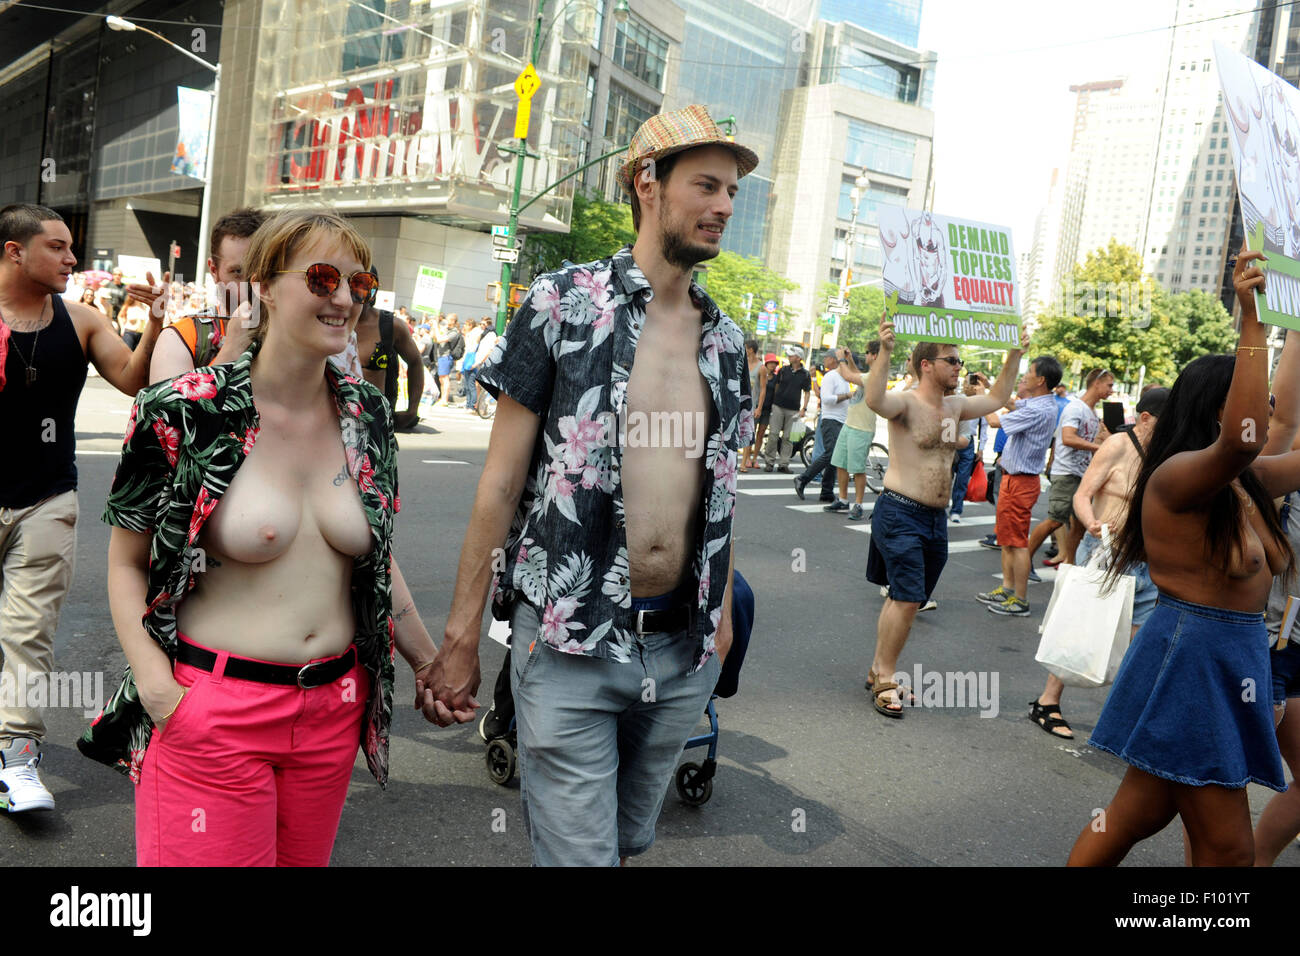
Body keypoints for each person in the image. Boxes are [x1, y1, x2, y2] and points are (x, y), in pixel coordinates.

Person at [424, 104, 755, 866]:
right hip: (569, 638)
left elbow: (721, 493)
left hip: (681, 649)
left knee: (627, 840)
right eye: (707, 186)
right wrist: (462, 634)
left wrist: (720, 619)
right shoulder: (561, 303)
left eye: (732, 192)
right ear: (648, 183)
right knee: (584, 858)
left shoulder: (727, 341)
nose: (724, 207)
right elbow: (500, 483)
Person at [79, 208, 452, 864]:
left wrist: (426, 660)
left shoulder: (367, 414)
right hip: (212, 713)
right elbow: (127, 565)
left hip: (332, 713)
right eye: (322, 278)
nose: (344, 299)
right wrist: (163, 695)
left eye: (359, 284)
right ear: (264, 288)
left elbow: (374, 559)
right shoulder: (185, 411)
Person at [1069, 248, 1295, 866]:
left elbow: (1277, 432)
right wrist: (1252, 319)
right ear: (1218, 408)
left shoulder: (1246, 482)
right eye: (1253, 397)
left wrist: (1292, 325)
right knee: (1230, 850)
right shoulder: (1177, 477)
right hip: (1193, 658)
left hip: (1230, 656)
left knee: (1134, 814)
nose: (1267, 409)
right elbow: (1246, 437)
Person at [0, 203, 164, 813]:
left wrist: (154, 324)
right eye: (58, 246)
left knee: (29, 632)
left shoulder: (83, 320)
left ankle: (16, 759)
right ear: (15, 251)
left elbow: (134, 380)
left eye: (72, 247)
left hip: (47, 498)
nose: (72, 258)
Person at [862, 314, 1026, 717]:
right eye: (951, 360)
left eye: (959, 361)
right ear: (926, 365)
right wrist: (885, 352)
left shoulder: (956, 406)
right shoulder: (906, 402)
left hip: (935, 520)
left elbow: (998, 397)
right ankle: (886, 677)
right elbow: (875, 400)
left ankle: (878, 667)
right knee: (907, 597)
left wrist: (1014, 354)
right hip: (900, 511)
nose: (958, 367)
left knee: (907, 597)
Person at [1026, 386, 1169, 741]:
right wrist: (1091, 521)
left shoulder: (1169, 453)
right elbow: (1082, 494)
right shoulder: (1118, 445)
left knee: (1138, 644)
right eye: (1167, 421)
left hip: (1146, 561)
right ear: (1146, 418)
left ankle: (1122, 719)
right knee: (1082, 629)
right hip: (1106, 552)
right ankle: (1047, 702)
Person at [976, 355, 1062, 617]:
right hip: (1013, 478)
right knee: (1006, 538)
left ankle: (1021, 599)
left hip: (1022, 481)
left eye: (1029, 372)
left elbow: (994, 421)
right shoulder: (1038, 402)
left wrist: (981, 398)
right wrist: (989, 386)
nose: (1025, 376)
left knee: (1018, 542)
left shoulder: (1039, 409)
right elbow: (1012, 403)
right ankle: (1007, 589)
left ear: (1041, 380)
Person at [146, 208, 266, 384]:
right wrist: (231, 350)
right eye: (237, 272)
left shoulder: (292, 331)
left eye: (261, 271)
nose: (251, 285)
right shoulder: (184, 335)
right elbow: (169, 402)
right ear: (214, 270)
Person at [1027, 368, 1113, 568]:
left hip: (1082, 475)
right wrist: (1098, 447)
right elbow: (1068, 438)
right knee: (1055, 521)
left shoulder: (1093, 412)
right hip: (1067, 473)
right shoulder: (1076, 408)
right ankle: (1024, 561)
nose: (1111, 390)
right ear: (1096, 383)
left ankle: (1069, 565)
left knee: (1080, 526)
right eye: (1109, 385)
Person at [824, 343, 879, 520]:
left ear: (875, 355)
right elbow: (855, 374)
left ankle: (858, 504)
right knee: (840, 463)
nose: (865, 355)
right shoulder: (868, 374)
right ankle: (843, 499)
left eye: (867, 352)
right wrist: (848, 359)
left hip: (862, 428)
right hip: (850, 424)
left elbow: (848, 376)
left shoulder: (876, 375)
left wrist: (841, 359)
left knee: (857, 468)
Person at [355, 299, 425, 430]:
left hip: (374, 422)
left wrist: (412, 409)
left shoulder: (391, 325)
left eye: (364, 288)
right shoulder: (327, 319)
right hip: (329, 416)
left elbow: (415, 362)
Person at [794, 349, 850, 502]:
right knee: (831, 454)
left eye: (826, 357)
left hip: (840, 421)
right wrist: (846, 396)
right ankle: (802, 479)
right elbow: (826, 399)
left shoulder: (843, 377)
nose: (824, 360)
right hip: (830, 420)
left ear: (833, 359)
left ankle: (827, 491)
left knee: (835, 456)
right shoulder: (830, 376)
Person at [949, 371, 990, 523]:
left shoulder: (980, 403)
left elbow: (984, 427)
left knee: (962, 479)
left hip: (969, 444)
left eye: (971, 383)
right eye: (966, 382)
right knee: (945, 476)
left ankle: (956, 511)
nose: (967, 386)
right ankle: (940, 505)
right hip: (952, 440)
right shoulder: (957, 399)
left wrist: (981, 448)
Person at [762, 346, 809, 472]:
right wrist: (774, 402)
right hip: (778, 406)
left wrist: (804, 408)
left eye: (791, 355)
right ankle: (769, 462)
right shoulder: (783, 370)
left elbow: (807, 392)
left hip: (794, 409)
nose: (789, 357)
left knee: (788, 438)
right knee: (773, 434)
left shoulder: (805, 374)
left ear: (798, 358)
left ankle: (784, 464)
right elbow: (777, 386)